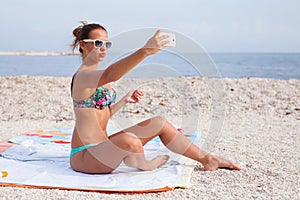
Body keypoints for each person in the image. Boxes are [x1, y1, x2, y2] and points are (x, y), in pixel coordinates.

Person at [70, 21, 241, 174]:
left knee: (159, 123)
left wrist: (124, 101)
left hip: (104, 146)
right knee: (130, 140)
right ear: (83, 45)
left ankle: (208, 159)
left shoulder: (98, 78)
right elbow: (112, 74)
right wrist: (146, 51)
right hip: (85, 155)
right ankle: (145, 164)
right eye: (98, 43)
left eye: (107, 43)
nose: (104, 48)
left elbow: (102, 116)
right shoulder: (83, 76)